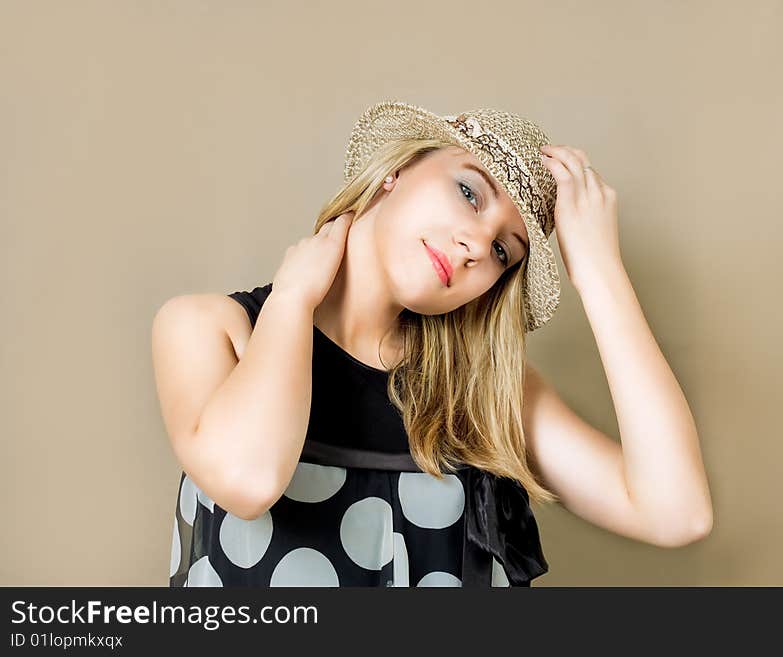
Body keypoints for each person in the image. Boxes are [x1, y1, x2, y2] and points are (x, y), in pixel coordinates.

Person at [152, 100, 714, 587]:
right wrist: (294, 297)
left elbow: (676, 512)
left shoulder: (484, 391)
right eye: (469, 192)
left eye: (503, 252)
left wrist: (597, 269)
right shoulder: (210, 328)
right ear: (398, 169)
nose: (475, 243)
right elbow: (249, 483)